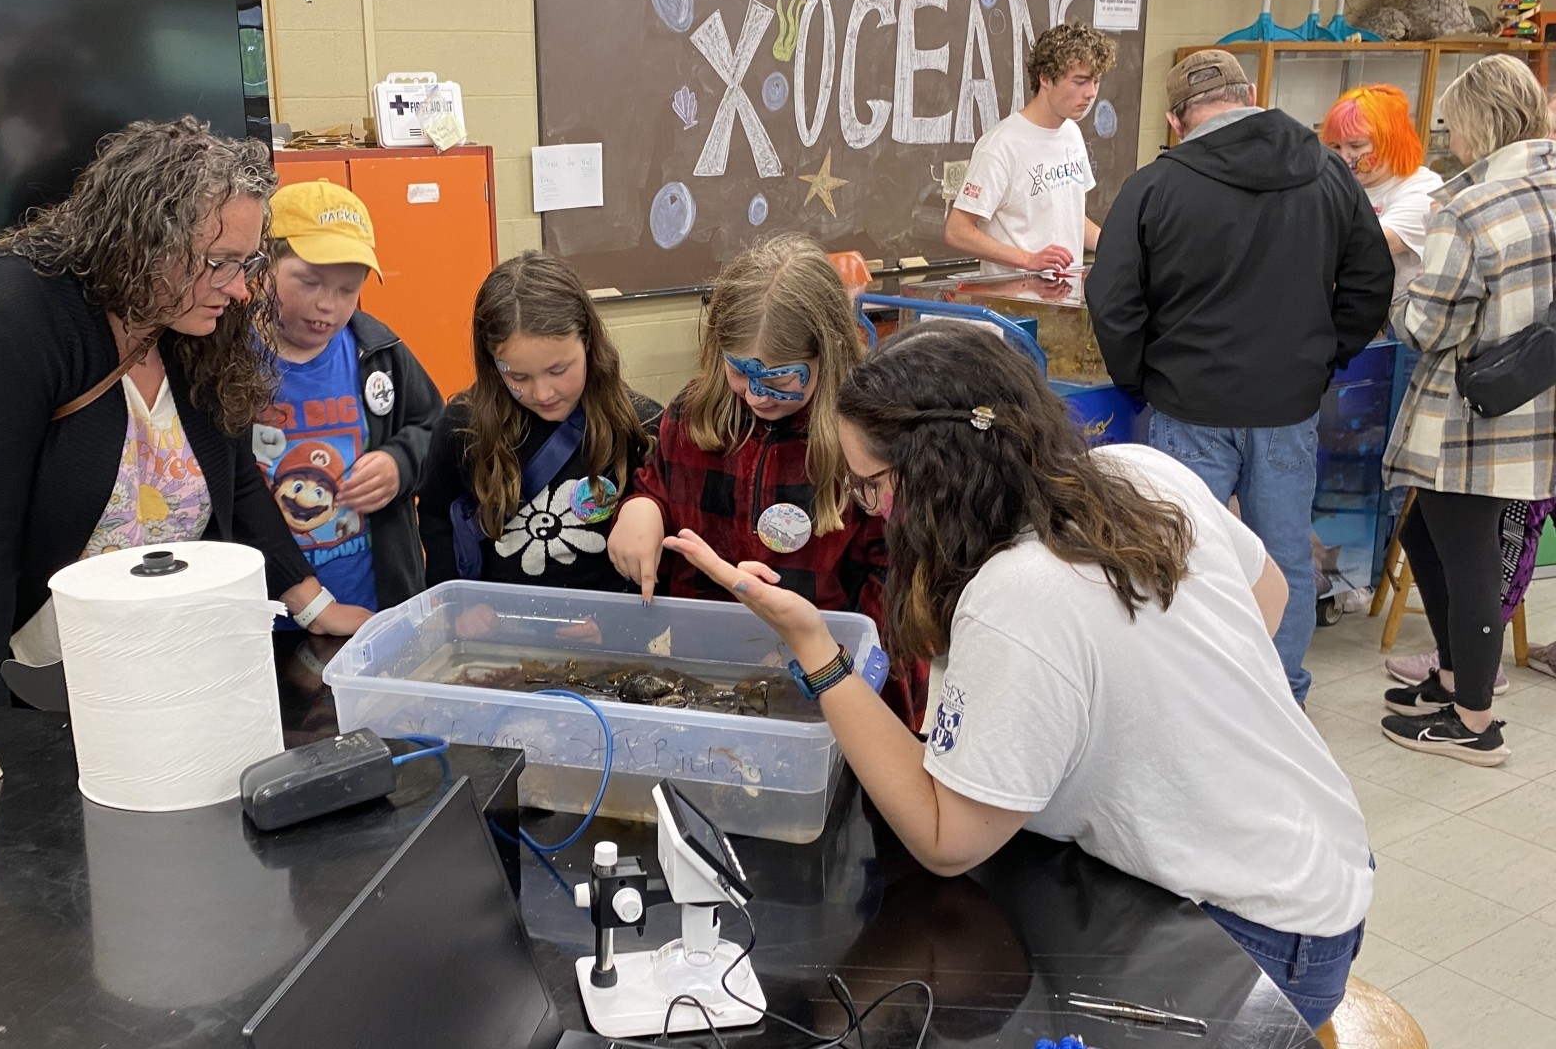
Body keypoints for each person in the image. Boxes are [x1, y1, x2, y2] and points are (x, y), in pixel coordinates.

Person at [662, 324, 1372, 1029]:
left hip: (1248, 935)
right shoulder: (1136, 472)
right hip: (1325, 862)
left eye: (873, 484)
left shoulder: (1017, 594)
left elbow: (946, 839)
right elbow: (1269, 598)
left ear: (939, 468)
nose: (869, 507)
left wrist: (812, 645)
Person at [0, 118, 370, 707]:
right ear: (145, 241)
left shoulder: (193, 327)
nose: (240, 289)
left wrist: (314, 606)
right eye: (219, 261)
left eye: (244, 264)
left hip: (147, 662)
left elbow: (236, 478)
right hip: (24, 665)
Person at [1088, 49, 1395, 706]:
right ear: (1251, 91)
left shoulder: (1154, 185)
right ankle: (1281, 695)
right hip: (1289, 402)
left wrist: (1141, 377)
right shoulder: (1328, 171)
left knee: (1184, 555)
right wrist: (1327, 354)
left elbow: (1113, 299)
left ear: (1175, 118)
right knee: (1284, 553)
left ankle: (1192, 697)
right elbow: (1372, 278)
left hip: (1189, 401)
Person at [606, 234, 922, 726]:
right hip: (698, 674)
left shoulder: (864, 441)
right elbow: (657, 486)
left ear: (830, 353)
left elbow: (894, 575)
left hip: (821, 681)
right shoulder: (693, 415)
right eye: (740, 373)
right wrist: (640, 507)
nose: (756, 396)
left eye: (779, 379)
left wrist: (854, 674)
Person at [1379, 55, 1556, 765]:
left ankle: (1474, 721)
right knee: (1429, 535)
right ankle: (1455, 679)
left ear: (1480, 124)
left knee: (1467, 557)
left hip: (1472, 412)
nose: (1448, 141)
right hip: (1537, 400)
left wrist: (1394, 300)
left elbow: (1429, 327)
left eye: (1452, 126)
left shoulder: (1468, 208)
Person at [419, 251, 663, 598]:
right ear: (492, 363)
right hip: (504, 626)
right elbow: (436, 517)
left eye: (558, 370)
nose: (543, 392)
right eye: (518, 376)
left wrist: (617, 622)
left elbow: (665, 548)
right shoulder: (463, 425)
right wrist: (459, 605)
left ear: (588, 342)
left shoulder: (641, 427)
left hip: (606, 631)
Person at [256, 180, 442, 629]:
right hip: (262, 620)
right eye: (310, 281)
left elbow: (437, 428)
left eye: (347, 289)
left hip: (372, 609)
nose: (327, 305)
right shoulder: (226, 362)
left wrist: (400, 463)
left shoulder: (379, 352)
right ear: (261, 266)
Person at [944, 23, 1117, 275]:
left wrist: (1115, 247)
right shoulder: (1000, 146)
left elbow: (1069, 218)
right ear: (1045, 78)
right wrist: (1027, 259)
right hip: (1013, 306)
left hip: (1064, 298)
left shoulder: (1072, 133)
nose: (1090, 93)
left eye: (1096, 81)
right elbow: (957, 231)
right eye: (1080, 81)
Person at [1321, 84, 1443, 301]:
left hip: (1397, 324)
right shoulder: (1337, 185)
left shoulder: (1423, 187)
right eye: (1335, 147)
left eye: (1356, 146)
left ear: (1391, 142)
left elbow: (1377, 243)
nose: (1344, 156)